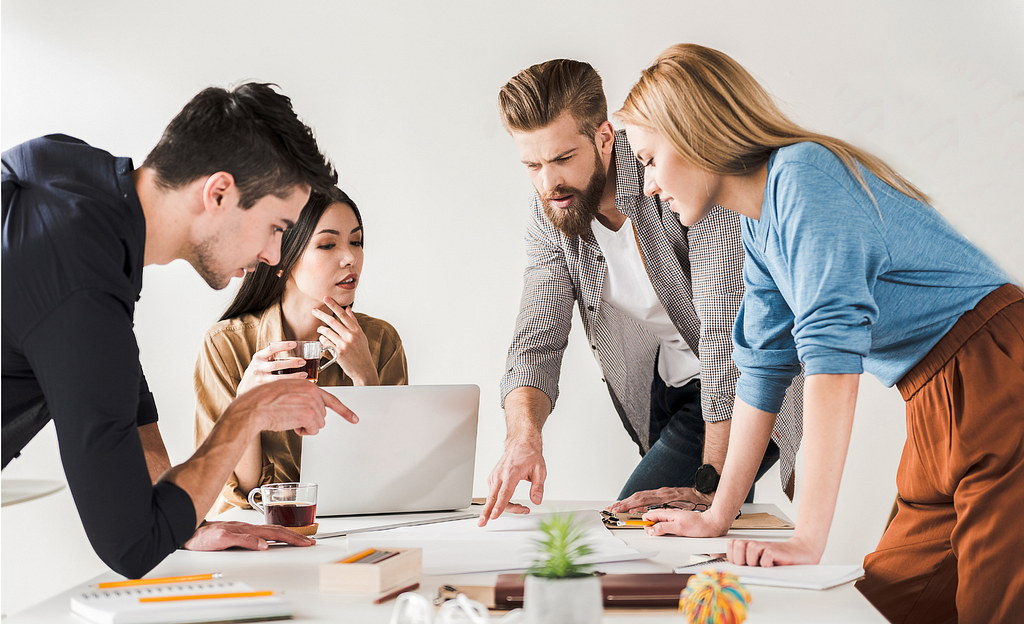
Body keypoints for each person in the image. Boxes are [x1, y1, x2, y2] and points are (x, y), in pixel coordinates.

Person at [617, 43, 1021, 624]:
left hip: (995, 369)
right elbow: (760, 368)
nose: (649, 185)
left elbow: (832, 362)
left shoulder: (805, 176)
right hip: (932, 397)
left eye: (650, 159)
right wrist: (717, 515)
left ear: (694, 132)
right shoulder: (758, 228)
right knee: (883, 607)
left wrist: (808, 538)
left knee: (993, 608)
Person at [1, 83, 358, 579]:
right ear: (218, 193)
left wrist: (186, 521)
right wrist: (244, 416)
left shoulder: (68, 178)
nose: (274, 257)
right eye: (277, 227)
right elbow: (131, 544)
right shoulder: (80, 290)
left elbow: (121, 382)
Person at [479, 59, 803, 527]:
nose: (548, 182)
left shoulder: (673, 171)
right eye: (532, 165)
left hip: (745, 381)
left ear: (606, 137)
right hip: (665, 390)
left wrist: (708, 483)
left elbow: (723, 337)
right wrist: (522, 438)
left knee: (642, 529)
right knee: (685, 544)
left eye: (563, 158)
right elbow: (536, 340)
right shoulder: (553, 208)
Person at [195, 187, 408, 514]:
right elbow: (244, 492)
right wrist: (246, 410)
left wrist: (365, 378)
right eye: (327, 244)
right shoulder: (226, 345)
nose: (350, 257)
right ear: (282, 260)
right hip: (262, 536)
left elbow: (393, 474)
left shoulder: (381, 341)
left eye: (356, 241)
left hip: (358, 528)